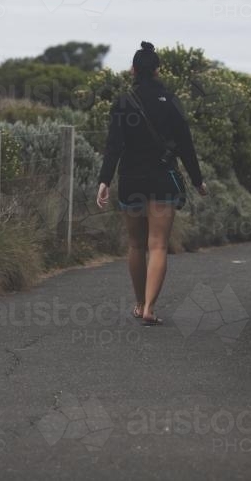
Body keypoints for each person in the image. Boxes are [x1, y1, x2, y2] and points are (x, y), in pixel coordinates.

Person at [96, 42, 208, 326]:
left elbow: (114, 146)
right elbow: (185, 145)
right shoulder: (170, 100)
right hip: (162, 179)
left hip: (131, 179)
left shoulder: (123, 102)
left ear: (133, 70)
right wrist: (197, 181)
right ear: (157, 70)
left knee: (135, 245)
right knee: (157, 245)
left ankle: (137, 303)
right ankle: (149, 308)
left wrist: (104, 180)